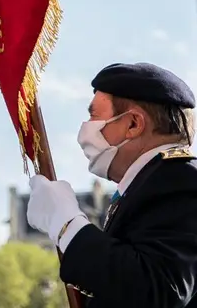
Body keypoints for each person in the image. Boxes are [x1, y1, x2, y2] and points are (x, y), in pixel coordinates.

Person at [27, 61, 197, 307]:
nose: (85, 128)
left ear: (133, 124)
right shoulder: (149, 183)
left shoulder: (180, 180)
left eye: (94, 115)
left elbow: (159, 289)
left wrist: (67, 225)